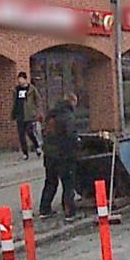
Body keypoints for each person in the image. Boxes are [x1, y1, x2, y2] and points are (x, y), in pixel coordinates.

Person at [38, 92, 80, 220]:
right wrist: (77, 146)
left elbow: (44, 132)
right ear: (72, 102)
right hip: (64, 155)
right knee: (68, 183)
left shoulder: (51, 114)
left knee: (50, 182)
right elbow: (71, 135)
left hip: (49, 155)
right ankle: (69, 212)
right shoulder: (68, 116)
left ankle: (44, 209)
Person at [11, 72, 41, 159]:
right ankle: (25, 153)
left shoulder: (31, 89)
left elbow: (38, 99)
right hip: (20, 115)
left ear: (25, 79)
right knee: (21, 135)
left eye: (21, 79)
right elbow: (15, 102)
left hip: (29, 115)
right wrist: (14, 113)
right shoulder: (16, 90)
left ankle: (37, 146)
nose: (19, 81)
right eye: (18, 79)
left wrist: (35, 111)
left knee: (29, 131)